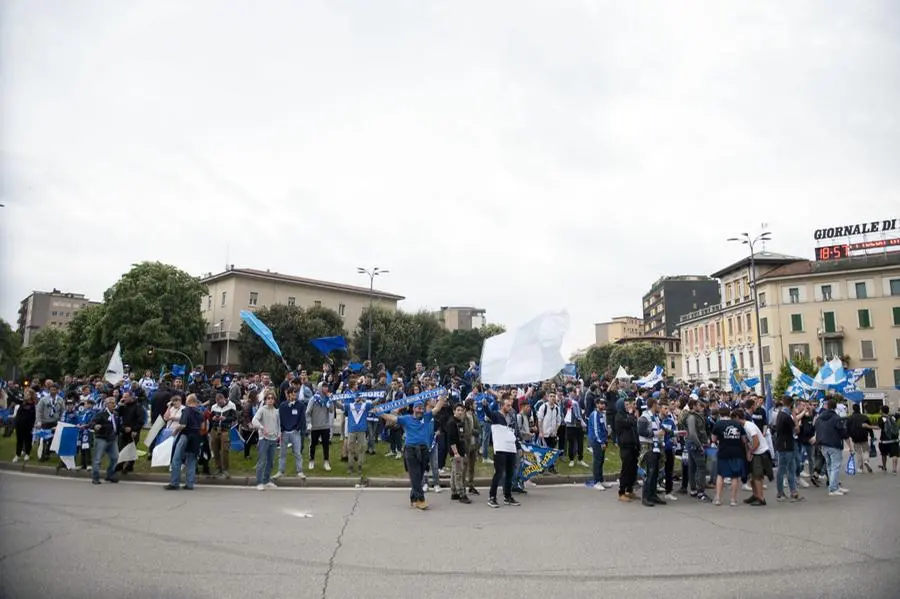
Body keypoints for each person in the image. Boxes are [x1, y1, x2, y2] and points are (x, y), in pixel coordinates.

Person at [380, 392, 447, 510]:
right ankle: (420, 499)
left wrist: (443, 396)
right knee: (415, 475)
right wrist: (380, 413)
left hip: (424, 450)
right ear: (414, 409)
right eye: (418, 407)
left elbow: (437, 407)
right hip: (410, 450)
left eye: (422, 408)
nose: (420, 410)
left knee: (419, 475)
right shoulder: (406, 419)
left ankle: (413, 497)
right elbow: (392, 418)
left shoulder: (426, 417)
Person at [484, 393, 521, 508]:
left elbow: (513, 433)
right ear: (502, 405)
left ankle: (507, 496)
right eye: (508, 406)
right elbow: (489, 413)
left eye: (510, 405)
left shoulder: (511, 417)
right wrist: (485, 406)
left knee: (510, 473)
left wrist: (518, 446)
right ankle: (492, 497)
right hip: (500, 448)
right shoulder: (496, 415)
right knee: (499, 473)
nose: (510, 408)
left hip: (510, 448)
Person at [165, 394, 204, 491]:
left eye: (186, 399)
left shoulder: (186, 410)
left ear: (189, 400)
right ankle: (189, 484)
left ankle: (174, 483)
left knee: (176, 459)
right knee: (191, 460)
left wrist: (175, 432)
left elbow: (182, 424)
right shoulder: (200, 412)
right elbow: (203, 426)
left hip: (186, 435)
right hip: (196, 437)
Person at [711, 407, 748, 507]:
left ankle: (718, 498)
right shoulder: (737, 423)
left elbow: (713, 439)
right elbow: (744, 440)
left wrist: (720, 437)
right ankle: (733, 500)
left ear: (720, 414)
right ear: (729, 413)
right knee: (735, 476)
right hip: (737, 452)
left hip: (723, 451)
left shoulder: (718, 424)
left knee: (720, 475)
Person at [735, 409, 772, 506]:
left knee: (757, 476)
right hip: (755, 452)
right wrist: (748, 452)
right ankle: (755, 495)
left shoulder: (749, 426)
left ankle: (761, 498)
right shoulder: (743, 427)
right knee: (751, 476)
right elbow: (747, 442)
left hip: (760, 452)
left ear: (737, 418)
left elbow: (756, 442)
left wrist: (751, 452)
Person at [773, 396, 804, 503]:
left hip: (782, 444)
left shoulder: (780, 414)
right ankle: (785, 492)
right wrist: (795, 415)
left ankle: (789, 492)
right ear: (791, 404)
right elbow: (797, 429)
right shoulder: (786, 416)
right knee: (786, 469)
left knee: (786, 469)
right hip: (787, 445)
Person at [637, 397, 666, 507]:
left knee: (655, 473)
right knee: (650, 473)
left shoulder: (656, 417)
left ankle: (653, 494)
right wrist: (655, 434)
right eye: (658, 404)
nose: (659, 407)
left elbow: (660, 429)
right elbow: (641, 431)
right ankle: (646, 497)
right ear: (653, 405)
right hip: (648, 448)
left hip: (656, 447)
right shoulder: (644, 417)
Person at [274, 388, 307, 481]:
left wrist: (297, 429)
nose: (294, 395)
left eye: (295, 394)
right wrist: (282, 429)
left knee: (297, 453)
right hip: (284, 432)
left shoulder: (300, 405)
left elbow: (302, 419)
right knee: (282, 453)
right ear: (288, 395)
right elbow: (280, 418)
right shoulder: (283, 405)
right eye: (292, 394)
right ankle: (280, 471)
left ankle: (299, 471)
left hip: (295, 432)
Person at [252, 391, 281, 490]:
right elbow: (254, 420)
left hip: (273, 439)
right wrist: (261, 428)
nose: (270, 400)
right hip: (264, 439)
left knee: (270, 461)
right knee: (262, 461)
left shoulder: (276, 411)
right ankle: (259, 482)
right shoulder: (262, 410)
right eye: (268, 398)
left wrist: (279, 434)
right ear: (265, 400)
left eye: (272, 398)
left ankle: (266, 480)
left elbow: (278, 424)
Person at [445, 403, 471, 503]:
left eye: (461, 410)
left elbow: (461, 437)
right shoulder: (451, 423)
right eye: (458, 410)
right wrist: (456, 453)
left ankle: (454, 492)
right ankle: (461, 494)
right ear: (454, 411)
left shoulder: (460, 422)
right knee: (459, 474)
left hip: (461, 450)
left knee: (454, 472)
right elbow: (452, 440)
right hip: (456, 452)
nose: (460, 412)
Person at [91, 397, 120, 485]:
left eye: (114, 402)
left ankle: (110, 475)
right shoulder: (101, 414)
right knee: (98, 459)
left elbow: (117, 425)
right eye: (111, 403)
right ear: (106, 404)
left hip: (112, 439)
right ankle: (95, 477)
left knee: (115, 457)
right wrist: (95, 426)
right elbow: (93, 422)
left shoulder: (115, 414)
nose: (113, 404)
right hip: (102, 439)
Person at [306, 384, 334, 472]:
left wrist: (330, 401)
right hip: (315, 426)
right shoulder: (313, 399)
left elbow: (331, 410)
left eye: (327, 387)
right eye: (324, 387)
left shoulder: (327, 398)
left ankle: (326, 461)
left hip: (325, 426)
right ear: (320, 388)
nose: (326, 388)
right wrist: (309, 423)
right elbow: (307, 412)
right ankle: (311, 460)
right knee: (313, 444)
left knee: (326, 445)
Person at [616, 397, 639, 503]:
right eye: (626, 405)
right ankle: (621, 492)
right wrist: (631, 414)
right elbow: (628, 423)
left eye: (629, 404)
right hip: (625, 446)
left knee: (633, 470)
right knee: (625, 470)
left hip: (633, 446)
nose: (628, 407)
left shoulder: (630, 416)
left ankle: (629, 490)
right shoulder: (619, 417)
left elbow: (634, 426)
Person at [209, 392, 237, 479]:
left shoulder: (231, 405)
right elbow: (211, 418)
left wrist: (225, 418)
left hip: (225, 429)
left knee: (225, 449)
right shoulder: (214, 407)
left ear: (224, 399)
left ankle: (225, 469)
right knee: (215, 449)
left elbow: (234, 417)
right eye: (217, 402)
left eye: (220, 402)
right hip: (215, 429)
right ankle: (218, 467)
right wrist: (213, 418)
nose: (219, 404)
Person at [587, 396, 609, 490]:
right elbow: (596, 430)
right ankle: (596, 481)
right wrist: (601, 441)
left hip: (603, 440)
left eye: (604, 403)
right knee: (597, 461)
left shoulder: (602, 414)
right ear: (597, 404)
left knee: (601, 460)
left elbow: (603, 427)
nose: (603, 405)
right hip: (597, 441)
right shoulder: (595, 414)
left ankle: (601, 479)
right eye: (601, 403)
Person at [847, 403, 874, 474]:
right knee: (866, 450)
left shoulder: (850, 418)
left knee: (858, 452)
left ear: (853, 409)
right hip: (864, 436)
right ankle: (866, 461)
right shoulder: (864, 417)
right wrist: (872, 435)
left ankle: (860, 467)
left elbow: (847, 428)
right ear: (859, 408)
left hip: (855, 437)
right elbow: (869, 427)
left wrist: (850, 435)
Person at [12, 389, 37, 463]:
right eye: (25, 394)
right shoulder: (22, 402)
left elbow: (33, 417)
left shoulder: (32, 405)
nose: (26, 395)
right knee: (19, 440)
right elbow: (15, 399)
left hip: (28, 426)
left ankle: (27, 454)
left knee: (28, 440)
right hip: (19, 425)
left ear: (31, 396)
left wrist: (32, 426)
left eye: (28, 394)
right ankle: (17, 455)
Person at [877, 404, 899, 474]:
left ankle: (884, 467)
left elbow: (879, 427)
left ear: (882, 411)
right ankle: (894, 469)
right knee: (895, 454)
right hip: (894, 439)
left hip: (884, 440)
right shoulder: (893, 417)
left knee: (883, 454)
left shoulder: (881, 418)